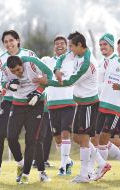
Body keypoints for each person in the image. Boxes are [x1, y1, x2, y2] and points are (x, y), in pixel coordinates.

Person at [34, 31, 110, 183]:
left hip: (89, 104)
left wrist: (47, 81)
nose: (69, 49)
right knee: (77, 137)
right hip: (80, 103)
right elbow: (61, 58)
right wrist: (56, 70)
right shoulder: (75, 53)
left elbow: (69, 82)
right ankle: (101, 164)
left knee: (83, 138)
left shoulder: (87, 64)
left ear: (79, 45)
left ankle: (85, 173)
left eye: (71, 46)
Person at [0, 30, 37, 177]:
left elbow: (39, 74)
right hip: (9, 101)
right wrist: (6, 86)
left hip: (28, 102)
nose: (9, 44)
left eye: (11, 40)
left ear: (18, 40)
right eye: (5, 42)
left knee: (28, 137)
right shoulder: (0, 60)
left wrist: (37, 93)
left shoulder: (29, 54)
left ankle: (31, 169)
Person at [3, 55, 53, 184]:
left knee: (32, 140)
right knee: (11, 137)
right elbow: (1, 82)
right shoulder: (6, 69)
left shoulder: (32, 63)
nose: (17, 73)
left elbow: (49, 74)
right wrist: (9, 84)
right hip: (18, 105)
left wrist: (38, 92)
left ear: (22, 64)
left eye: (18, 70)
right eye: (13, 72)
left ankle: (25, 175)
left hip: (35, 104)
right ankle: (21, 164)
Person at [41, 35, 75, 175]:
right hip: (52, 104)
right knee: (57, 137)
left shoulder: (71, 61)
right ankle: (68, 161)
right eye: (57, 43)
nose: (59, 45)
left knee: (66, 133)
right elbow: (42, 79)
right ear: (54, 46)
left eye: (62, 43)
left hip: (68, 102)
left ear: (67, 46)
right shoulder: (47, 61)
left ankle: (62, 166)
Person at [97, 37, 120, 166]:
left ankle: (100, 168)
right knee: (99, 138)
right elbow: (100, 83)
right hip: (102, 104)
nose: (119, 48)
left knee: (107, 139)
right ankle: (99, 167)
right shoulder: (110, 62)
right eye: (119, 45)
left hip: (117, 107)